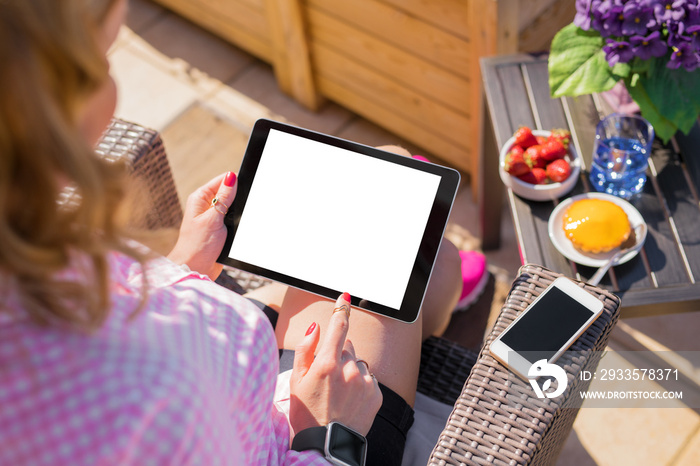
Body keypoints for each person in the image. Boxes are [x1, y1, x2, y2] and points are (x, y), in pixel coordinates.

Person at [0, 1, 487, 464]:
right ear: (47, 103)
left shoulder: (24, 248)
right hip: (312, 437)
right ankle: (437, 292)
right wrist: (328, 433)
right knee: (397, 186)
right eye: (105, 57)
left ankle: (436, 286)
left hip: (248, 390)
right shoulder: (142, 403)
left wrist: (183, 266)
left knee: (404, 220)